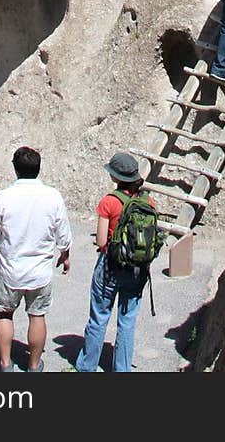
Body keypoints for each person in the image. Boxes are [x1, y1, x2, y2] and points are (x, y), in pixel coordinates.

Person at [0, 145, 71, 373]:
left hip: (11, 268)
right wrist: (65, 255)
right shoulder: (52, 196)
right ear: (38, 168)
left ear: (15, 168)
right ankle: (34, 365)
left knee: (4, 313)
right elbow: (63, 232)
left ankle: (5, 364)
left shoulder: (3, 197)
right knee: (37, 315)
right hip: (40, 270)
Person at [74, 152, 157, 373]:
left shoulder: (109, 202)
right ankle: (122, 369)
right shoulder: (148, 201)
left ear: (116, 177)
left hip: (110, 267)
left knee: (99, 317)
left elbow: (102, 241)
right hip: (137, 270)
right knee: (127, 322)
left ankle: (87, 366)